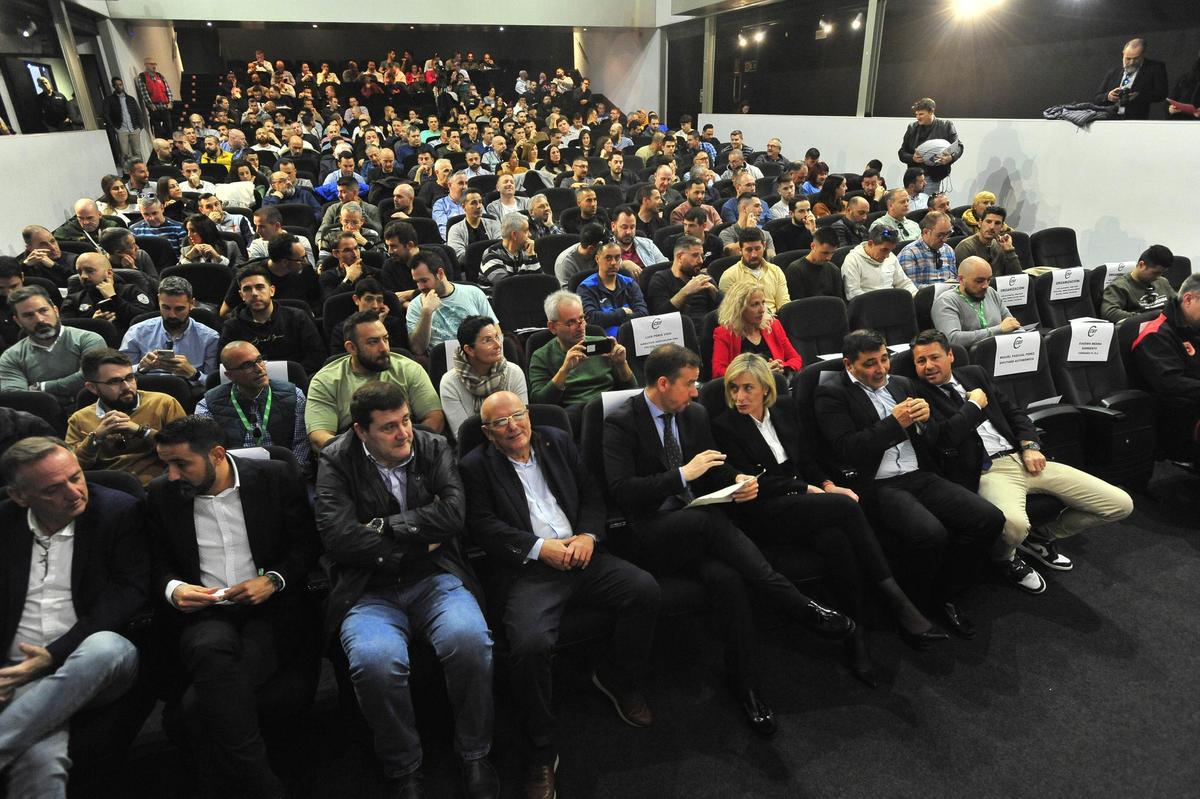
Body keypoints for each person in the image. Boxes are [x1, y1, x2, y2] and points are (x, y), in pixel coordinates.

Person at [603, 344, 853, 735]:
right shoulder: (621, 423)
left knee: (730, 582)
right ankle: (795, 603)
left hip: (702, 530)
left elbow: (713, 473)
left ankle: (746, 687)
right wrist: (683, 475)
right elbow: (623, 492)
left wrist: (735, 482)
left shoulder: (695, 415)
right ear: (664, 384)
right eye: (689, 384)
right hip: (654, 532)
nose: (696, 391)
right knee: (707, 522)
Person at [461, 390, 658, 795]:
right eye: (501, 422)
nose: (513, 426)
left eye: (518, 415)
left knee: (646, 590)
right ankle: (541, 745)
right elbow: (481, 525)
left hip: (583, 554)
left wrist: (588, 535)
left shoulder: (558, 440)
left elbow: (591, 494)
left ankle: (617, 677)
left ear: (528, 415)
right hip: (531, 570)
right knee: (530, 644)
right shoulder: (474, 465)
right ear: (487, 431)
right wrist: (537, 548)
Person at [313, 382, 498, 799]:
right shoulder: (336, 459)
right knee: (375, 664)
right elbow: (338, 539)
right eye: (389, 427)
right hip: (367, 589)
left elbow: (452, 516)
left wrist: (381, 527)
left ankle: (474, 752)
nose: (404, 434)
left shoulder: (433, 447)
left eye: (406, 421)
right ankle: (404, 765)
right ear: (361, 431)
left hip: (435, 576)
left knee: (470, 642)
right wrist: (410, 546)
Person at [714, 354, 946, 682]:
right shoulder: (725, 426)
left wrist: (826, 483)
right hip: (763, 510)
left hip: (804, 503)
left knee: (836, 541)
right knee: (846, 507)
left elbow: (806, 458)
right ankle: (896, 599)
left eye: (747, 388)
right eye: (734, 388)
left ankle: (855, 636)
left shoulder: (784, 410)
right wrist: (808, 489)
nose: (739, 396)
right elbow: (753, 482)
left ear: (765, 388)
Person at [148, 416, 320, 798]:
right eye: (166, 465)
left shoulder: (274, 478)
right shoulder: (161, 494)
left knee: (196, 709)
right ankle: (263, 784)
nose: (172, 475)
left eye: (182, 464)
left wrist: (273, 579)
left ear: (217, 454)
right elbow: (156, 564)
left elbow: (306, 545)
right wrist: (174, 589)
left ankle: (235, 784)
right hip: (204, 611)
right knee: (208, 646)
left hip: (268, 609)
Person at [815, 329, 1004, 636]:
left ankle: (943, 592)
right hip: (878, 483)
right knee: (931, 534)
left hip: (919, 475)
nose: (881, 369)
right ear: (849, 366)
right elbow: (847, 449)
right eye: (870, 363)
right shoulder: (832, 392)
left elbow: (933, 440)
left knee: (989, 519)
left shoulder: (902, 384)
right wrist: (894, 423)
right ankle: (912, 602)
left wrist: (925, 421)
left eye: (885, 359)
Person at [912, 330, 1134, 588]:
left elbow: (1013, 412)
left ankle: (1041, 536)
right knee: (1014, 526)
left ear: (950, 355)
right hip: (987, 471)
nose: (928, 366)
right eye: (921, 361)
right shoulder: (918, 395)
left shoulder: (974, 374)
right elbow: (945, 440)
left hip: (1022, 457)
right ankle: (1004, 558)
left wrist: (1030, 445)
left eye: (934, 357)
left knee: (1119, 504)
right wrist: (972, 407)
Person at [0, 437, 147, 799]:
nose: (74, 492)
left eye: (76, 477)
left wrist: (53, 655)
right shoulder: (4, 524)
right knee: (40, 758)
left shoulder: (117, 512)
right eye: (53, 489)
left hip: (91, 658)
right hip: (16, 670)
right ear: (20, 497)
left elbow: (129, 593)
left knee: (104, 648)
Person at [306, 310, 444, 449]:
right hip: (352, 460)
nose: (384, 348)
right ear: (351, 347)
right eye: (373, 342)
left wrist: (405, 446)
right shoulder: (325, 381)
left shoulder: (409, 368)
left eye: (385, 339)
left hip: (407, 448)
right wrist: (368, 454)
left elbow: (434, 418)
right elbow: (319, 436)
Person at [65, 348, 185, 485]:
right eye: (114, 382)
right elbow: (72, 469)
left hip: (158, 487)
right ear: (92, 388)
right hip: (109, 491)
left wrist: (142, 431)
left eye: (130, 377)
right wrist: (96, 438)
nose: (127, 387)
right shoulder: (79, 419)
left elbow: (185, 450)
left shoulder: (164, 403)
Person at [194, 340, 311, 470]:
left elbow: (301, 444)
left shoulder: (295, 395)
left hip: (283, 473)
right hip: (235, 475)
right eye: (247, 366)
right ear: (230, 375)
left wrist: (293, 473)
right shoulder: (207, 405)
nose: (260, 369)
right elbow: (207, 451)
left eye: (260, 360)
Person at [528, 290, 635, 417]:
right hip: (576, 416)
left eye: (582, 318)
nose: (581, 326)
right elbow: (540, 403)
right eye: (571, 322)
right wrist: (564, 370)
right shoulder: (541, 356)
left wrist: (622, 364)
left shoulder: (603, 346)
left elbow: (632, 390)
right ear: (552, 327)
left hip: (611, 409)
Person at [0, 285, 106, 411]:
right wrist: (67, 398)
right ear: (18, 321)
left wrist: (42, 387)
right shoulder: (11, 356)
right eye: (28, 315)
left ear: (55, 310)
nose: (39, 319)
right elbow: (19, 400)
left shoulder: (88, 339)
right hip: (41, 419)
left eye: (43, 311)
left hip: (91, 412)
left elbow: (91, 377)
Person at [1132, 274, 1200, 456]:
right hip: (1180, 416)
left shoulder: (1194, 326)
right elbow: (1170, 383)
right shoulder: (1155, 335)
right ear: (1188, 299)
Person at [218, 263, 326, 375]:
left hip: (297, 380)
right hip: (250, 385)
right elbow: (225, 366)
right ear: (241, 295)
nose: (254, 293)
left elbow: (317, 357)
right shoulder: (232, 327)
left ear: (272, 291)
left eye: (260, 287)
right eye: (247, 289)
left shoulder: (297, 317)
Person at [439, 317, 528, 438]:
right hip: (474, 449)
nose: (498, 345)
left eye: (497, 337)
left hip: (515, 440)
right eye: (487, 340)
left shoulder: (514, 373)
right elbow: (462, 436)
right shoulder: (450, 383)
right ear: (469, 350)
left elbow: (523, 422)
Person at [406, 251, 495, 356]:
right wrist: (426, 312)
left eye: (424, 281)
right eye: (417, 282)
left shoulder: (473, 293)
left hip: (479, 355)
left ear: (440, 273)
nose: (420, 287)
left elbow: (496, 332)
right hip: (444, 362)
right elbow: (417, 349)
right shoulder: (415, 306)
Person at [711, 281, 802, 378]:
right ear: (739, 309)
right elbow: (718, 371)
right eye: (755, 305)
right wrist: (758, 372)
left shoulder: (773, 325)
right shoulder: (724, 333)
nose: (762, 310)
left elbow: (795, 359)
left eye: (763, 303)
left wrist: (781, 367)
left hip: (777, 384)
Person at [932, 256, 1021, 348]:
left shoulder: (991, 292)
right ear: (961, 279)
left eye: (988, 280)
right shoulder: (946, 301)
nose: (985, 286)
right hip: (970, 358)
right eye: (979, 281)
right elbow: (952, 339)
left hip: (1000, 353)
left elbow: (1012, 324)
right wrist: (998, 329)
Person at [645, 234, 721, 332]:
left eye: (702, 256)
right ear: (680, 257)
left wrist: (715, 292)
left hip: (708, 333)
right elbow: (659, 318)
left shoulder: (705, 279)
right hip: (676, 334)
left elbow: (728, 311)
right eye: (695, 255)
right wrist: (686, 291)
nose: (701, 261)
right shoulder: (660, 279)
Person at [578, 241, 649, 337]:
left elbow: (643, 313)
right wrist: (623, 312)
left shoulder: (629, 283)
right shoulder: (586, 287)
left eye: (617, 257)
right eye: (608, 258)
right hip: (604, 343)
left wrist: (609, 319)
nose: (613, 263)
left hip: (633, 338)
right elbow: (592, 319)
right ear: (597, 259)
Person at [898, 98, 963, 194]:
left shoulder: (946, 126)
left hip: (933, 176)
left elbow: (959, 146)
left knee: (925, 205)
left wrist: (950, 158)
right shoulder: (912, 128)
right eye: (916, 114)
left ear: (931, 112)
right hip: (913, 178)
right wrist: (912, 158)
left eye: (921, 114)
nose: (918, 117)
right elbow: (901, 152)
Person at [717, 228, 789, 314]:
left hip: (775, 321)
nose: (754, 254)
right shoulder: (729, 276)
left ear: (764, 246)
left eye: (757, 249)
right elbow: (730, 313)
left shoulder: (776, 271)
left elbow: (784, 306)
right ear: (740, 250)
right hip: (745, 324)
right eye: (749, 250)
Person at [1094, 38, 1169, 120]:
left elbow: (1162, 93)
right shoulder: (1113, 72)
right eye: (1128, 58)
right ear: (1123, 54)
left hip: (1139, 119)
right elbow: (1097, 98)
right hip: (1111, 119)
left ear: (1143, 55)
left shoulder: (1155, 68)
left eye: (1136, 58)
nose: (1132, 62)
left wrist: (1139, 96)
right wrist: (1108, 96)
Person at [1101, 244, 1176, 322]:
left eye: (1161, 273)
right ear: (1141, 265)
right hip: (1140, 328)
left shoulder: (1162, 282)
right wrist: (1145, 318)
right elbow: (1109, 313)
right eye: (1155, 273)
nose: (1158, 277)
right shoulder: (1120, 287)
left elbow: (1178, 305)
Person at [841, 227, 916, 301]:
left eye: (890, 250)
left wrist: (916, 295)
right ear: (870, 243)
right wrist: (882, 302)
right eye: (884, 250)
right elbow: (853, 293)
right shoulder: (853, 260)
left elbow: (903, 282)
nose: (887, 256)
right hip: (868, 307)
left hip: (891, 304)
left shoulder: (891, 257)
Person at [953, 205, 1022, 277]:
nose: (992, 227)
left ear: (1002, 227)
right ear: (980, 223)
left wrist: (1009, 250)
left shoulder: (1000, 246)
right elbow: (967, 281)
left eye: (997, 223)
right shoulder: (965, 247)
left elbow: (1018, 278)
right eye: (988, 222)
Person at [479, 213, 541, 285]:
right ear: (514, 235)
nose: (530, 234)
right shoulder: (491, 255)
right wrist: (529, 260)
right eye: (526, 231)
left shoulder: (526, 250)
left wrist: (532, 256)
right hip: (494, 295)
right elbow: (508, 286)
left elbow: (539, 280)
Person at [898, 211, 957, 286]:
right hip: (924, 296)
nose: (945, 239)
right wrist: (940, 289)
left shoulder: (948, 250)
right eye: (940, 235)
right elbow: (912, 288)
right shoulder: (909, 253)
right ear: (926, 232)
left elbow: (953, 280)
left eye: (948, 233)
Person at [446, 189, 501, 265]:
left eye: (480, 202)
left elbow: (502, 248)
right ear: (463, 206)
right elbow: (460, 258)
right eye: (473, 203)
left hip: (495, 265)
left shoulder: (494, 224)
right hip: (470, 269)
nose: (479, 206)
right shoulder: (455, 230)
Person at [785, 228, 842, 300]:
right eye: (825, 253)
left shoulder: (834, 270)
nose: (829, 258)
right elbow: (797, 306)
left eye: (832, 253)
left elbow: (839, 302)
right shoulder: (795, 270)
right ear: (813, 246)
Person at [553, 223, 606, 289]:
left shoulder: (600, 252)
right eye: (604, 246)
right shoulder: (565, 263)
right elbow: (568, 295)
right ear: (591, 249)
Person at [53, 199, 123, 248]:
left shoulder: (112, 227)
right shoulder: (67, 230)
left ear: (99, 214)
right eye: (80, 218)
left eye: (90, 218)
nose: (85, 222)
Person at [104, 78, 142, 167]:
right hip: (121, 129)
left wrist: (140, 126)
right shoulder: (110, 100)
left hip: (134, 128)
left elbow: (138, 112)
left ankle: (140, 169)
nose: (119, 86)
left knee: (137, 152)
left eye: (120, 84)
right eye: (116, 85)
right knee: (125, 153)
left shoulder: (130, 99)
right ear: (113, 86)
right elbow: (106, 114)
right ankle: (127, 172)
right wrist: (114, 127)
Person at [137, 57, 174, 138]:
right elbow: (144, 93)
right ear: (146, 65)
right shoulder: (142, 77)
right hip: (154, 108)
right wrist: (150, 104)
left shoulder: (160, 76)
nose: (154, 66)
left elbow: (168, 90)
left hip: (165, 106)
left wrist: (170, 102)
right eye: (151, 64)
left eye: (155, 64)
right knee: (158, 131)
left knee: (169, 129)